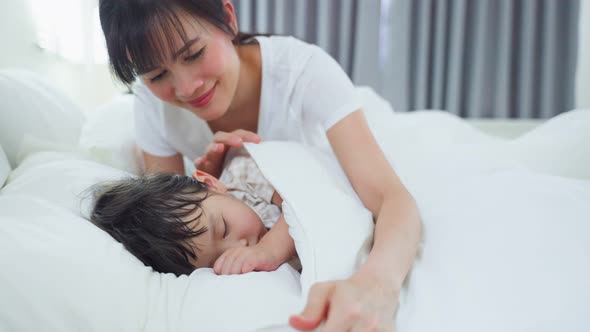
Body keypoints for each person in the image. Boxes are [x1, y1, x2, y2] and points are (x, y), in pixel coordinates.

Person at [99, 0, 422, 330]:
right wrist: (213, 178)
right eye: (156, 75)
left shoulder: (303, 74)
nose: (185, 88)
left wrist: (376, 286)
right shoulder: (153, 104)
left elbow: (392, 199)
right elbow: (168, 212)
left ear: (227, 18)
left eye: (193, 54)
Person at [90, 147, 298, 277]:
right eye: (218, 260)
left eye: (224, 229)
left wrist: (269, 249)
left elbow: (304, 198)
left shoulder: (243, 175)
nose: (240, 247)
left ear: (211, 183)